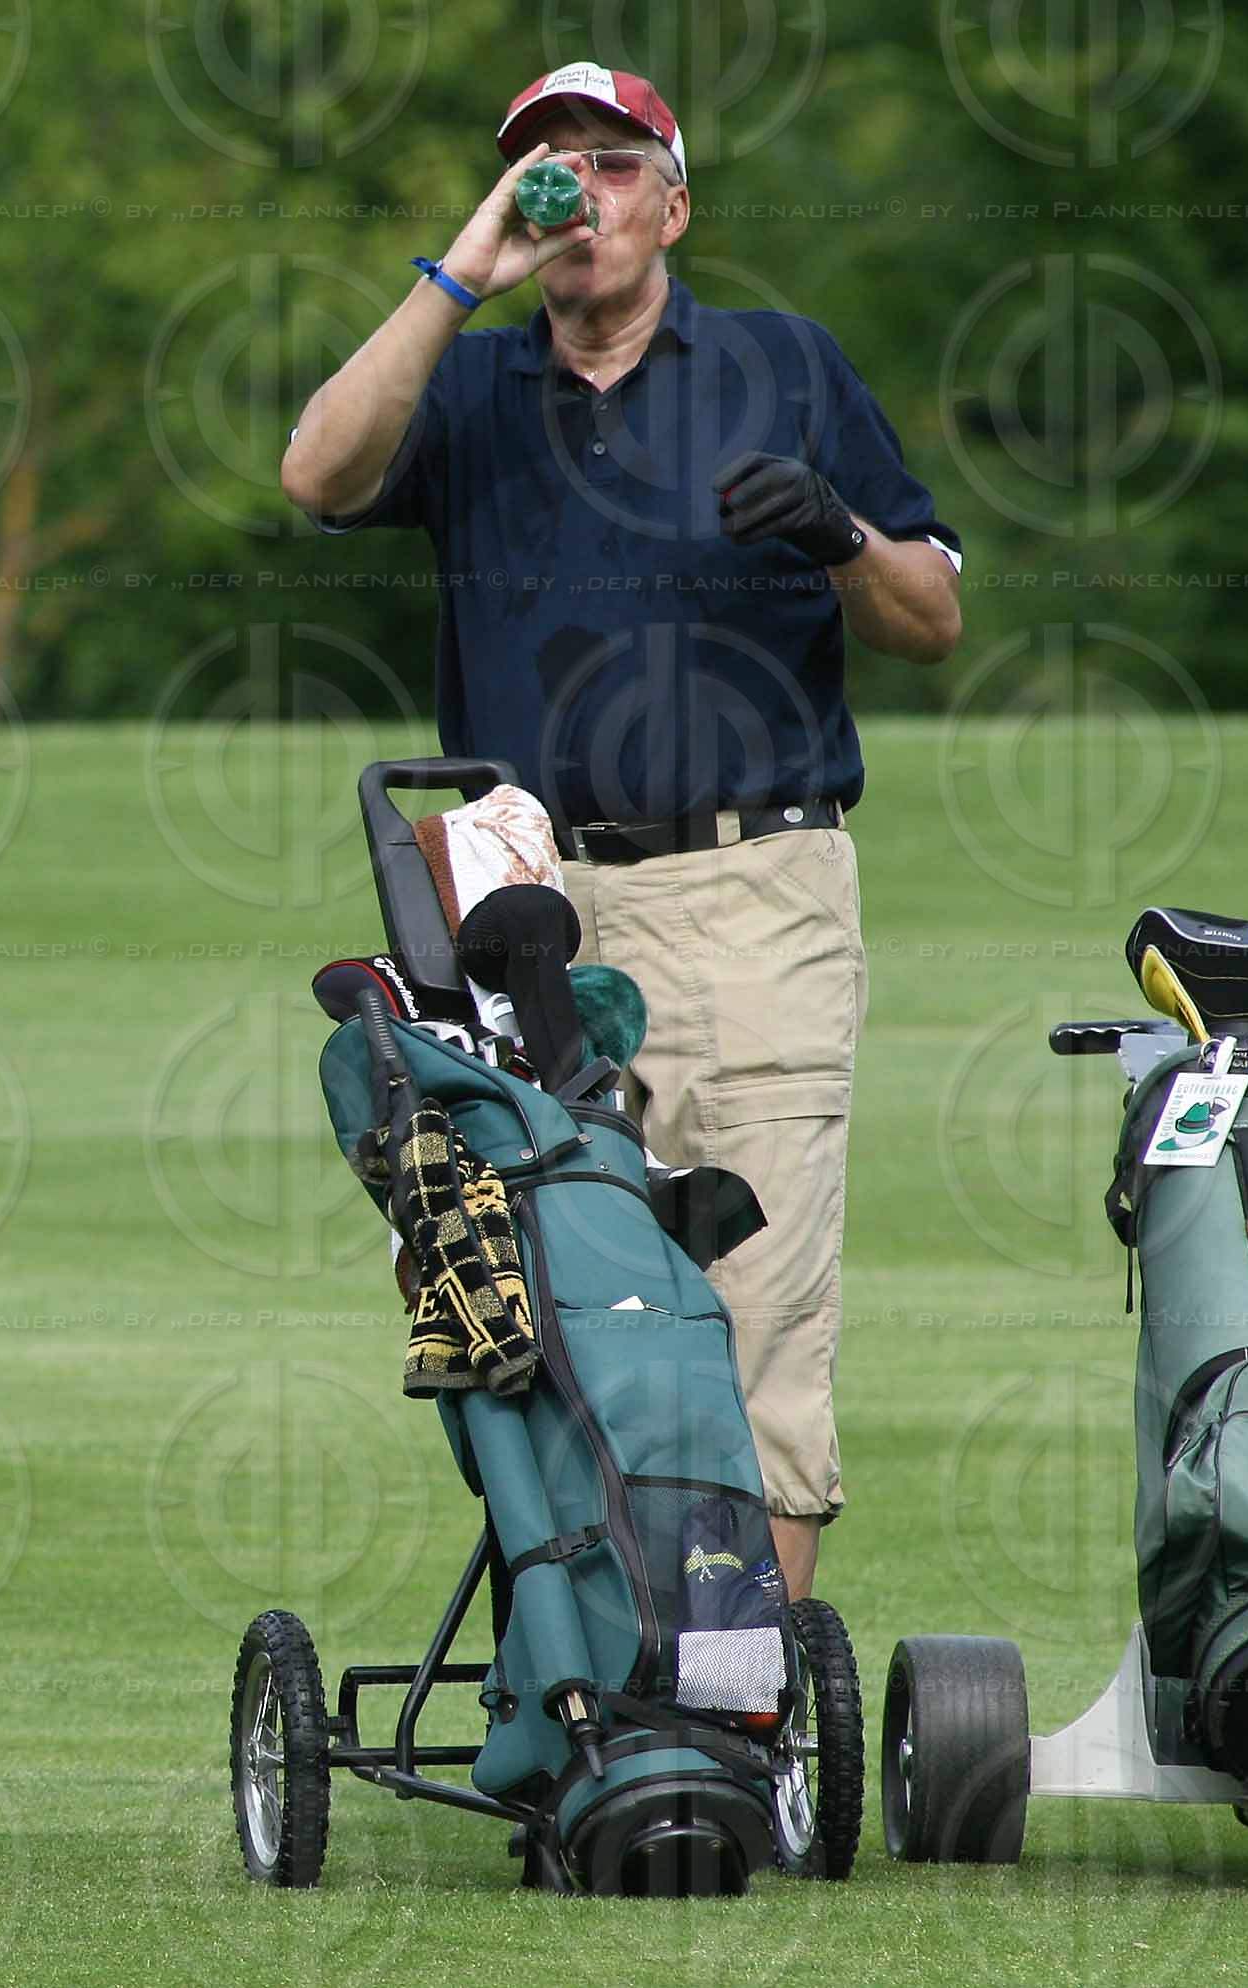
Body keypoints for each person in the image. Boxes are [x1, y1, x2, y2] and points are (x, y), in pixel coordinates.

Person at [280, 62, 962, 1600]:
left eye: (607, 162)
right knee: (532, 1300)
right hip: (518, 904)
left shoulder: (784, 363)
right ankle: (595, 1676)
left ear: (673, 203)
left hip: (747, 887)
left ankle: (741, 1695)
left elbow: (929, 617)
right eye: (546, 163)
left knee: (755, 1314)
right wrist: (463, 273)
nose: (574, 190)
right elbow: (315, 470)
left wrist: (839, 532)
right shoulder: (465, 383)